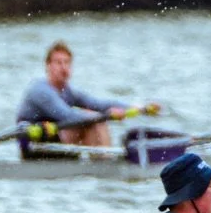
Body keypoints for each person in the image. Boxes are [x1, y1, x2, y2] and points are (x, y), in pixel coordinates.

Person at [15, 41, 158, 156]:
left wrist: (138, 108)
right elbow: (67, 115)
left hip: (53, 143)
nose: (64, 68)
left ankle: (102, 163)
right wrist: (106, 116)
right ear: (48, 66)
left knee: (94, 119)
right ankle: (105, 165)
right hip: (34, 147)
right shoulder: (40, 90)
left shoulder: (67, 91)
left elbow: (98, 104)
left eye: (67, 63)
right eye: (58, 63)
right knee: (92, 119)